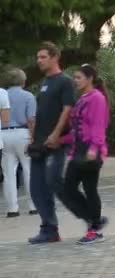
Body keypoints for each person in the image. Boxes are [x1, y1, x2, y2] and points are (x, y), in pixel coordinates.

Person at [28, 41, 76, 244]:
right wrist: (33, 136)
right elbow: (40, 112)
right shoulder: (45, 83)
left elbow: (67, 109)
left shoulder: (64, 82)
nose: (39, 61)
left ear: (55, 57)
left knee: (52, 180)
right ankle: (48, 228)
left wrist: (56, 134)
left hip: (56, 144)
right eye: (38, 57)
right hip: (39, 143)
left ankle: (86, 212)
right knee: (36, 187)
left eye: (43, 57)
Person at [60, 64, 110, 244]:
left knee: (87, 189)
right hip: (78, 150)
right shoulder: (83, 98)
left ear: (89, 79)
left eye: (79, 77)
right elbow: (77, 128)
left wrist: (94, 148)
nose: (75, 80)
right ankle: (94, 221)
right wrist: (61, 140)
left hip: (89, 151)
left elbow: (98, 125)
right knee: (71, 188)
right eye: (74, 77)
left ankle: (94, 229)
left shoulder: (97, 98)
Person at [1, 68, 37, 218]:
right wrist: (33, 137)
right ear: (23, 81)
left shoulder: (3, 94)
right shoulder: (28, 96)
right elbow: (31, 119)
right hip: (22, 133)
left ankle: (12, 209)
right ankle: (33, 205)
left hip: (3, 134)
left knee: (8, 173)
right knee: (29, 170)